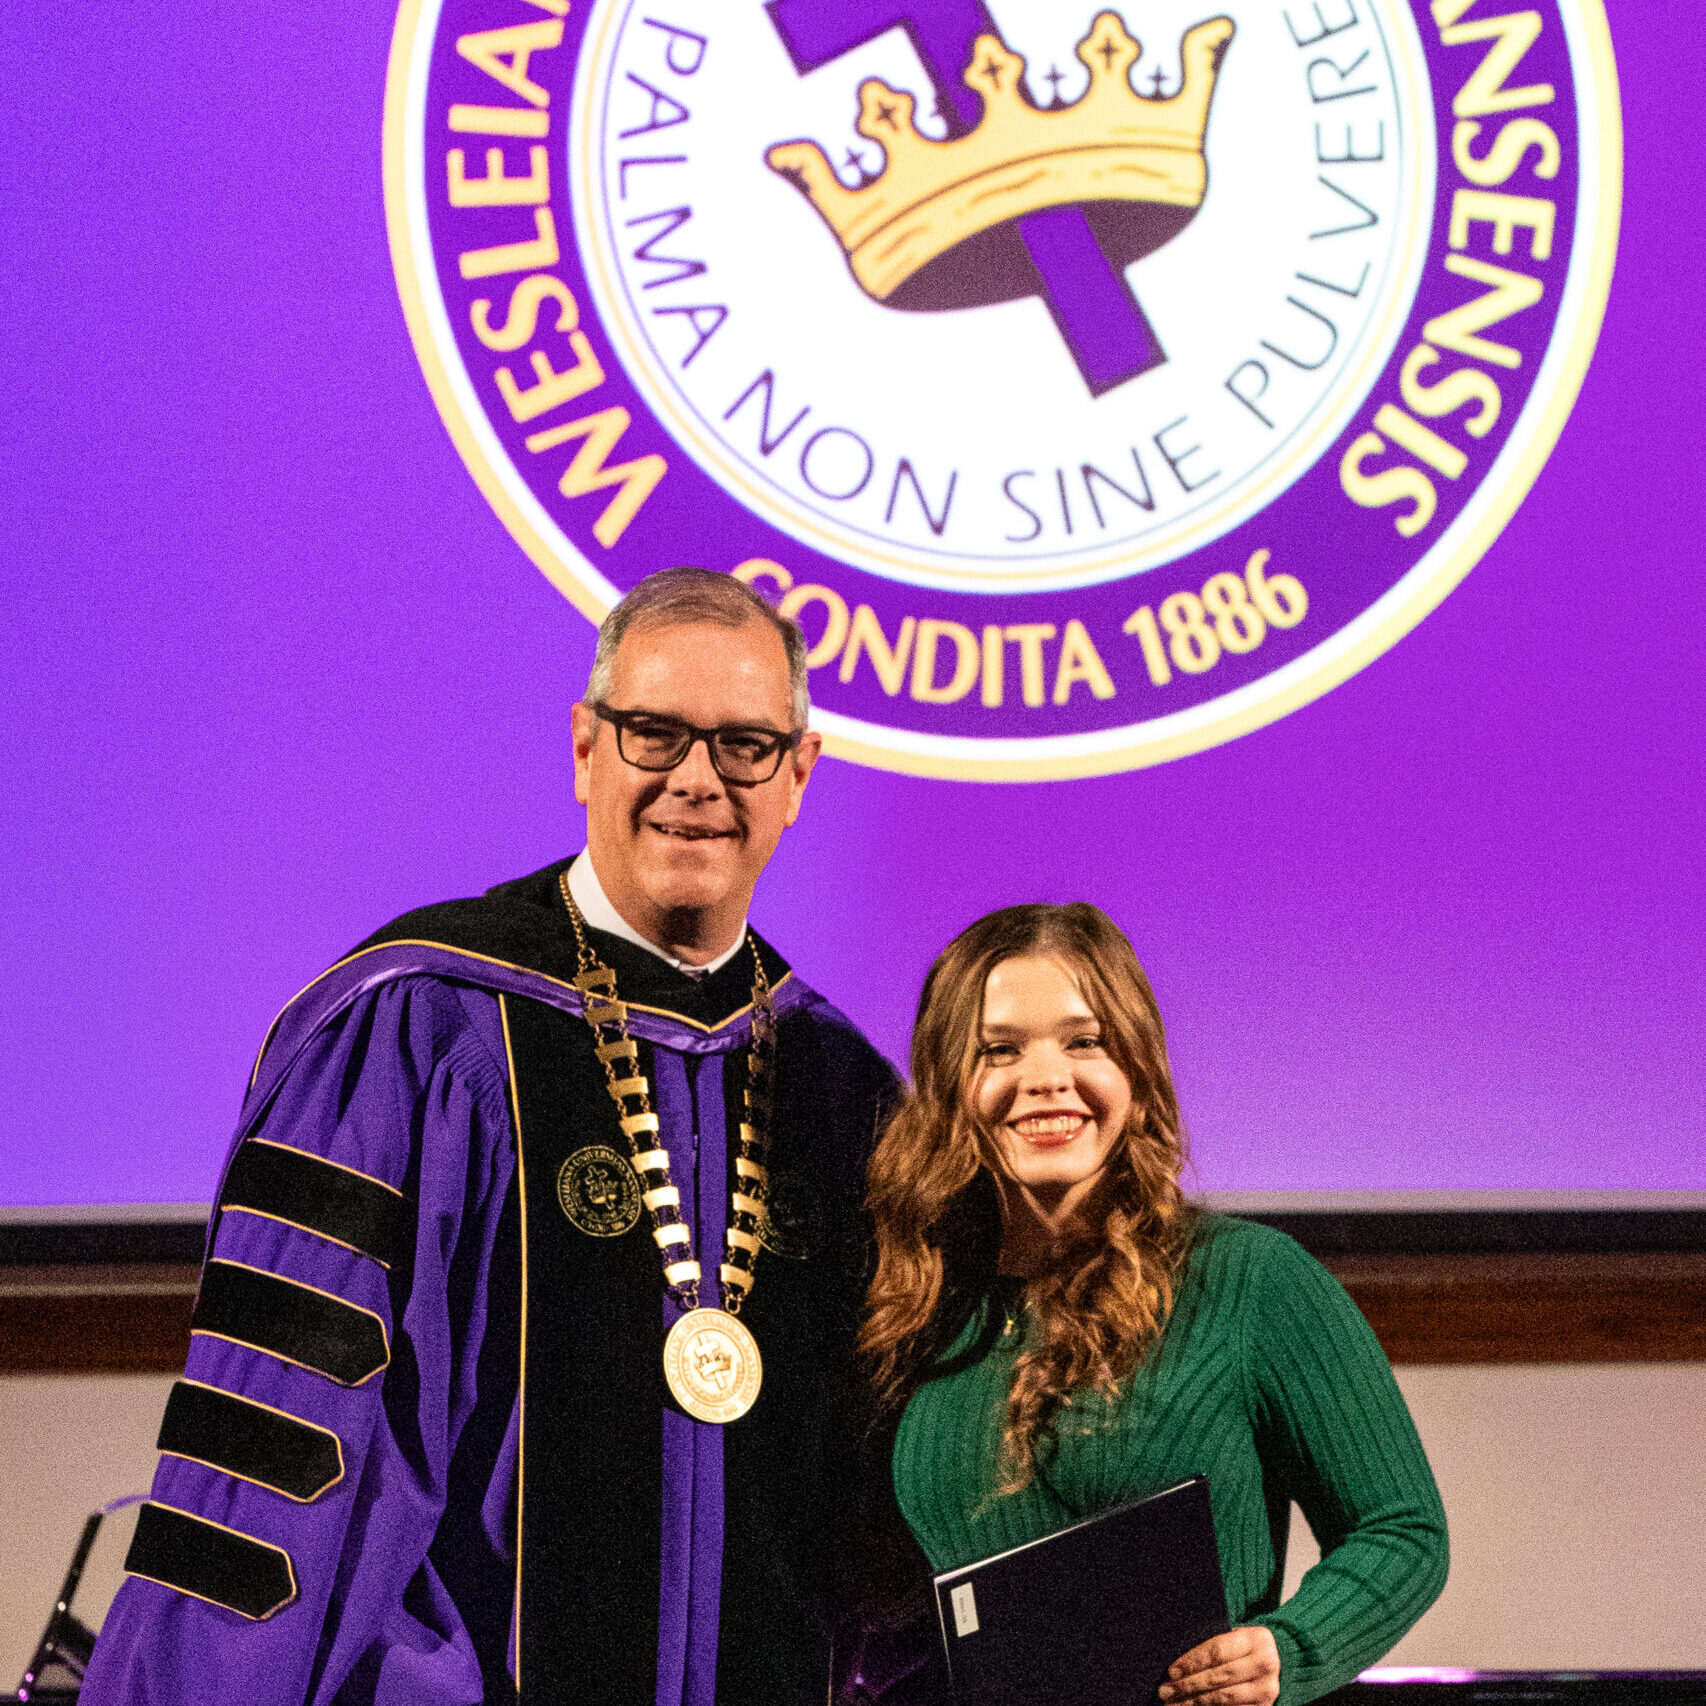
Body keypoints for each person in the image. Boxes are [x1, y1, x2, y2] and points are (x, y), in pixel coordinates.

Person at [81, 569, 897, 1706]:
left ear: (797, 774)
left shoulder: (846, 1091)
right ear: (586, 748)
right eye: (655, 733)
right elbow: (274, 1464)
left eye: (744, 746)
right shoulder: (417, 1028)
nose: (697, 779)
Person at [860, 904, 1448, 1706]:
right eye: (1000, 1049)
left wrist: (1289, 1649)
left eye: (1085, 1041)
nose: (1046, 1078)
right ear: (950, 1084)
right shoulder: (917, 1302)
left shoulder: (1249, 1279)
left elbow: (1403, 1529)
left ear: (1136, 1069)